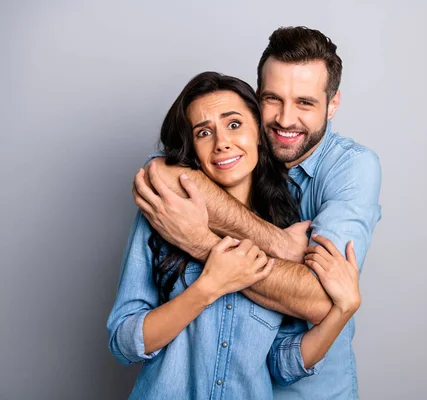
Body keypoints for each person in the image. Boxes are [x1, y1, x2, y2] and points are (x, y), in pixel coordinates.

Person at [134, 27, 382, 399]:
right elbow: (162, 174)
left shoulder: (353, 168)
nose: (284, 119)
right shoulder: (236, 150)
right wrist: (282, 245)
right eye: (272, 99)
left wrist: (203, 242)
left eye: (305, 103)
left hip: (313, 390)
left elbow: (318, 299)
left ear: (333, 104)